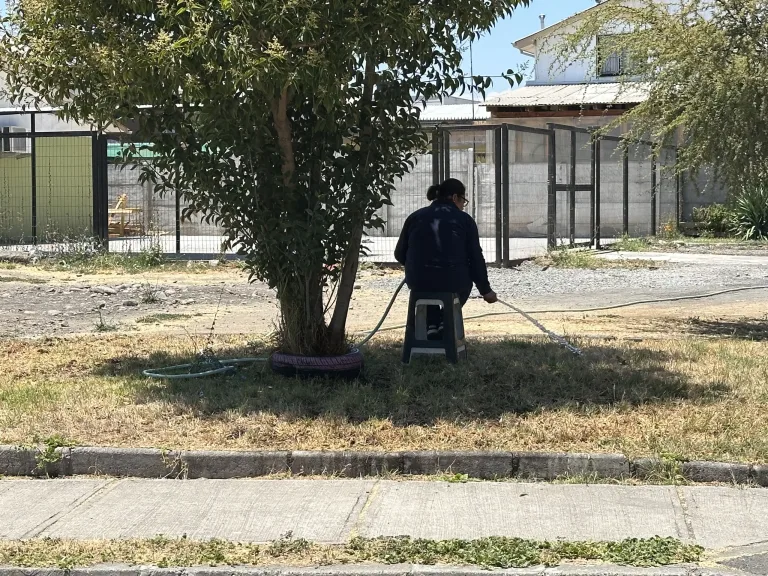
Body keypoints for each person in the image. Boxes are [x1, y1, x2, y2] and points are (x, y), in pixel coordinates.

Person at [394, 178, 497, 340]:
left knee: (429, 288)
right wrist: (485, 291)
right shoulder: (465, 220)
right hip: (454, 282)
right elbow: (475, 258)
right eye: (464, 200)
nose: (463, 205)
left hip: (418, 281)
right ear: (455, 197)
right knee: (459, 283)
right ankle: (444, 320)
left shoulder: (415, 217)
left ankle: (433, 323)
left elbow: (399, 253)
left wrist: (417, 267)